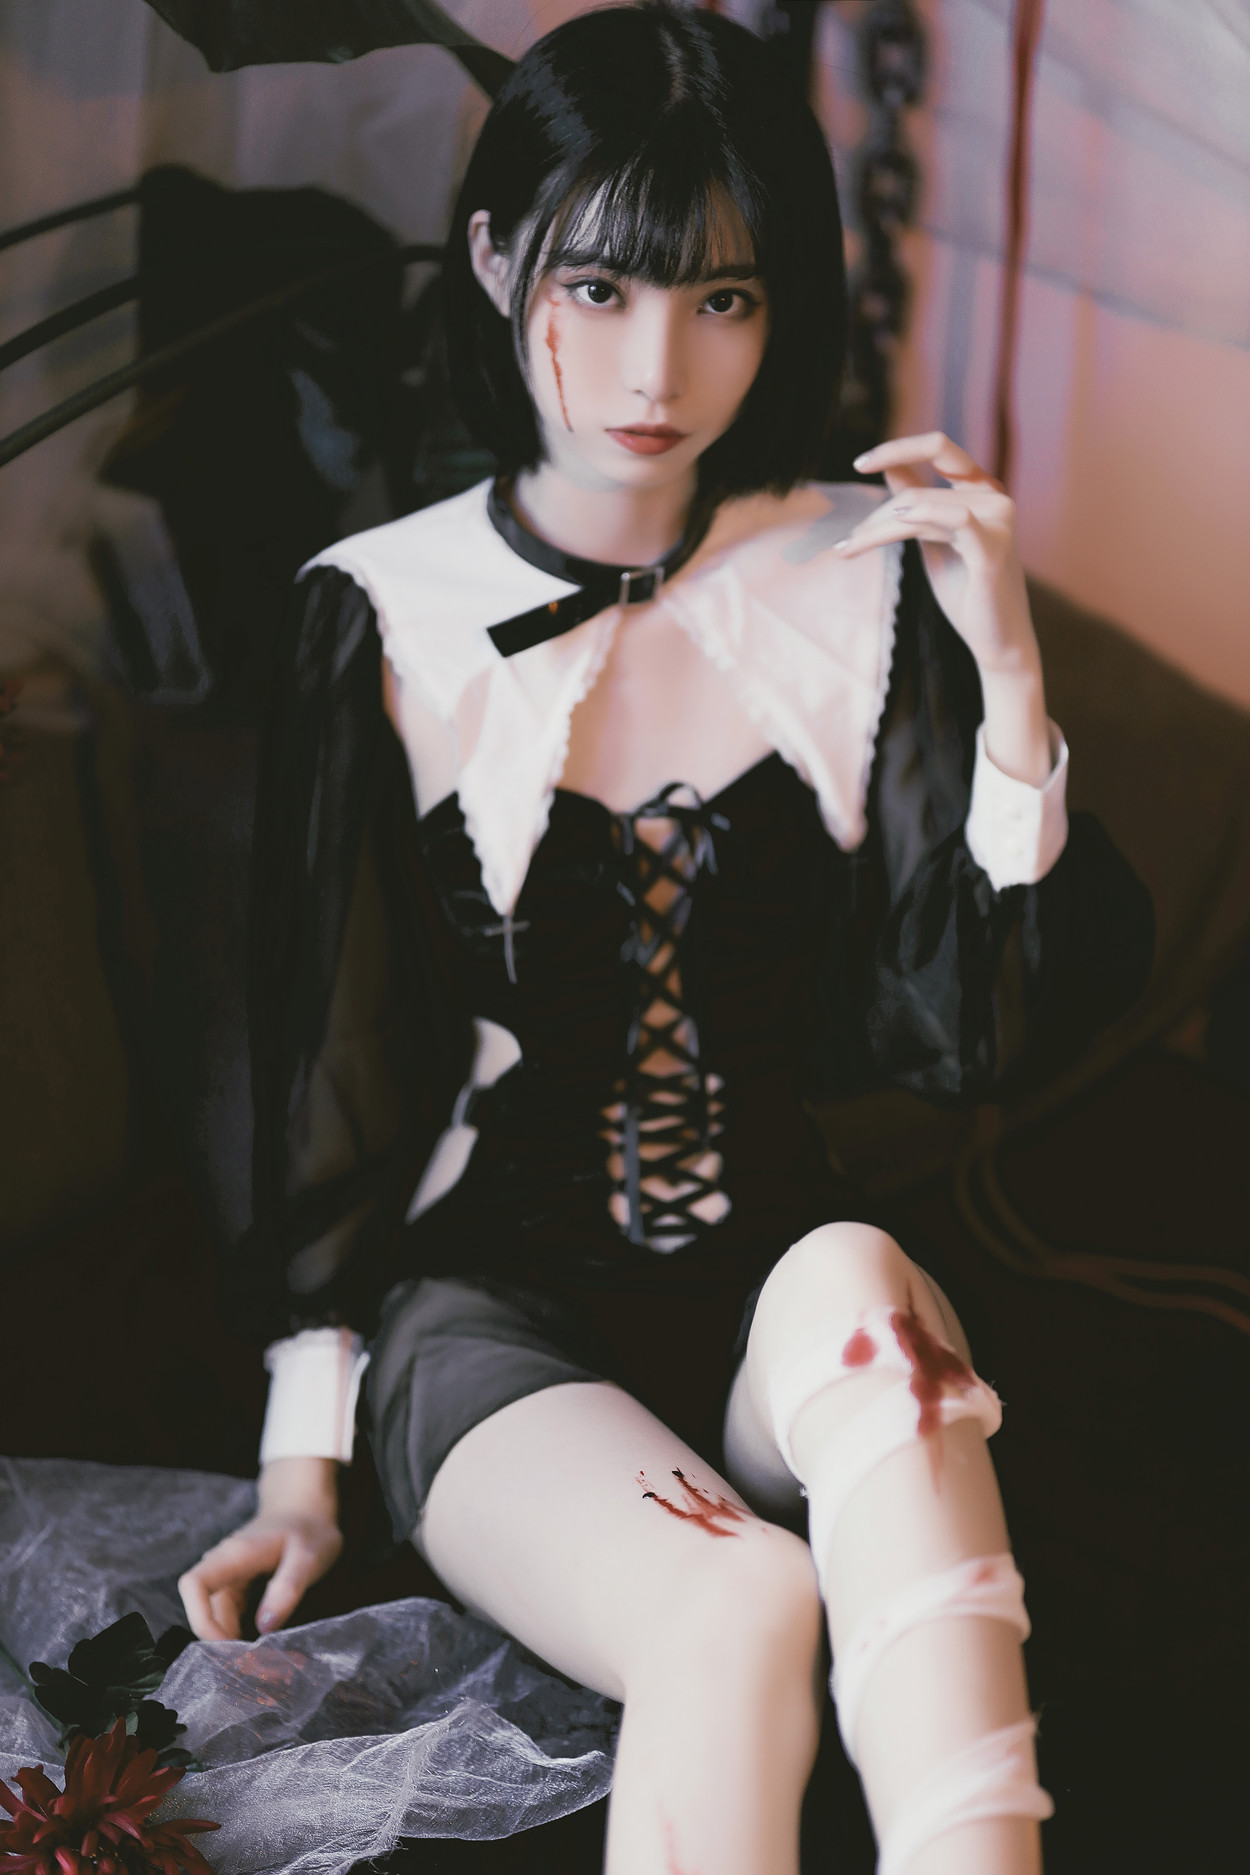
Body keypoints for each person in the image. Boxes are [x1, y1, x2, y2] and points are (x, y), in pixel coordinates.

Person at [178, 7, 1153, 1872]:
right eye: (599, 286)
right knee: (743, 1599)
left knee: (872, 1305)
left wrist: (1010, 677)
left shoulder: (855, 583)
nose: (655, 366)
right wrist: (304, 1464)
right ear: (494, 262)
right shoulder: (375, 611)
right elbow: (326, 1070)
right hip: (494, 1317)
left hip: (776, 1283)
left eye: (721, 297)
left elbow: (967, 1039)